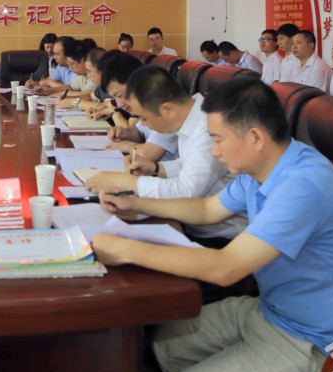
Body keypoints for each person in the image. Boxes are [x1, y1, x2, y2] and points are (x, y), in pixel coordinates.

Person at [91, 78, 333, 372]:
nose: (214, 151)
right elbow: (207, 209)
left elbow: (225, 267)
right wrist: (135, 204)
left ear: (255, 137)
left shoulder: (302, 186)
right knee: (165, 343)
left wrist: (124, 250)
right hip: (273, 312)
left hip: (324, 348)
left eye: (218, 140)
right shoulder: (262, 167)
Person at [86, 65, 243, 241]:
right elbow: (188, 163)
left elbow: (187, 190)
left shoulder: (208, 127)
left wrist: (126, 182)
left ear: (167, 109)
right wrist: (155, 169)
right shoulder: (193, 113)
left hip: (221, 237)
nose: (143, 124)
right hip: (189, 222)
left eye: (144, 117)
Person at [98, 52, 179, 162]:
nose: (119, 104)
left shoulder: (164, 107)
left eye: (120, 95)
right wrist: (124, 132)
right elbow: (139, 131)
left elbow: (147, 154)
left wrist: (127, 146)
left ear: (136, 82)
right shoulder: (146, 102)